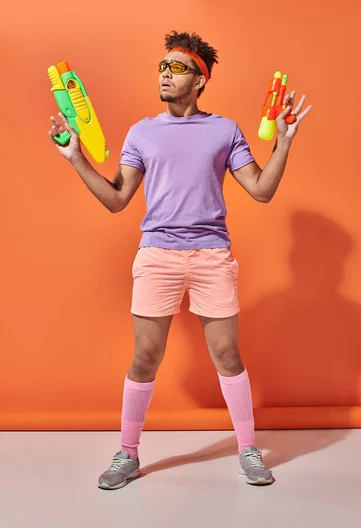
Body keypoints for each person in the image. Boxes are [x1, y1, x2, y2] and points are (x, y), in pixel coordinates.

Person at [49, 31, 311, 489]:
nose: (165, 74)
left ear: (200, 80)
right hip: (157, 256)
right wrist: (75, 157)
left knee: (227, 354)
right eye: (162, 67)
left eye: (177, 68)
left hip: (212, 255)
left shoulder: (225, 130)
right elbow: (116, 200)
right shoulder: (142, 132)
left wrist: (284, 141)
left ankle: (249, 449)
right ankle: (128, 453)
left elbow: (262, 190)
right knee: (145, 357)